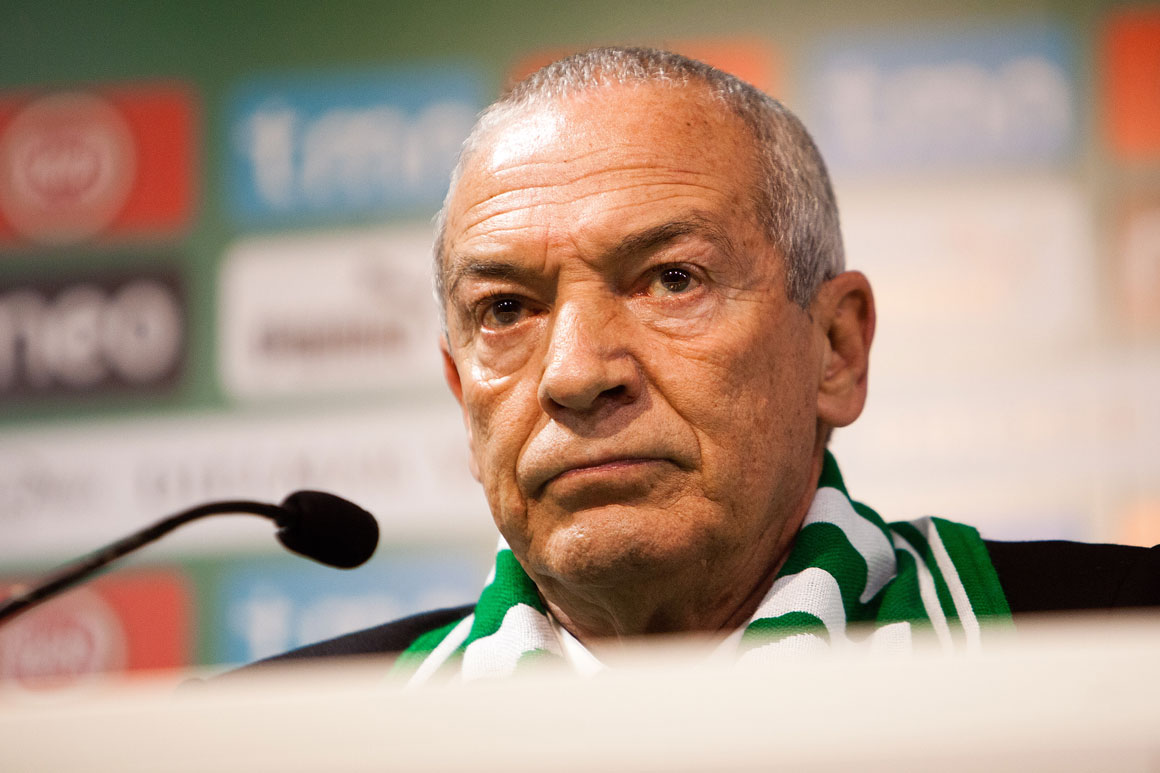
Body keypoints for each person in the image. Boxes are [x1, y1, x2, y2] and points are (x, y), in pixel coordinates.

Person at [254, 47, 1159, 680]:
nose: (575, 374)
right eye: (506, 309)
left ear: (836, 348)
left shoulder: (1122, 642)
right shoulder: (277, 738)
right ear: (462, 393)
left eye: (671, 279)